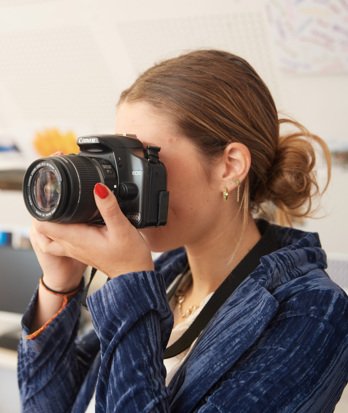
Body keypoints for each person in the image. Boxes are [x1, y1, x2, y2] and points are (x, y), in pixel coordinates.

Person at [18, 49, 348, 412]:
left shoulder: (314, 311)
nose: (126, 184)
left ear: (230, 166)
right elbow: (45, 407)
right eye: (119, 160)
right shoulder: (167, 275)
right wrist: (58, 284)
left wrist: (129, 280)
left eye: (146, 160)